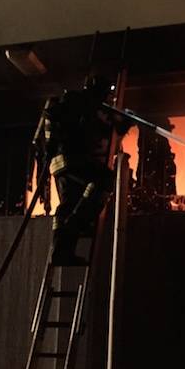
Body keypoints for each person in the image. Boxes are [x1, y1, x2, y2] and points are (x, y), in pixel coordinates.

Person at [38, 76, 134, 265]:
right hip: (75, 160)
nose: (108, 98)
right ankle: (75, 226)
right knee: (105, 181)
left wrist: (122, 124)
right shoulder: (88, 105)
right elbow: (98, 130)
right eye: (107, 93)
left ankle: (61, 252)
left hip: (60, 164)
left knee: (66, 206)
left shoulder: (77, 103)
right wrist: (122, 122)